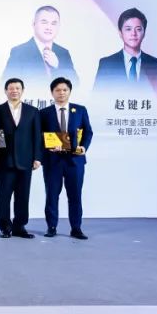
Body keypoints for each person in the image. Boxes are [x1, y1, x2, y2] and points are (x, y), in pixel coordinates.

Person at [40, 77, 93, 240]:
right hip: (52, 160)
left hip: (75, 160)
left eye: (64, 90)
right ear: (52, 92)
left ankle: (76, 228)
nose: (61, 93)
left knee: (75, 195)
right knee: (51, 195)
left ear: (70, 91)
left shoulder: (80, 110)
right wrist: (47, 146)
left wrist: (83, 147)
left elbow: (88, 132)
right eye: (57, 90)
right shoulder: (44, 113)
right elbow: (39, 135)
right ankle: (51, 227)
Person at [0, 77, 42, 238]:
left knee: (23, 196)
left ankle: (19, 227)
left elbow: (37, 136)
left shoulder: (32, 111)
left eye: (17, 88)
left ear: (22, 91)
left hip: (26, 161)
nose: (14, 91)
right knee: (4, 197)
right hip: (3, 161)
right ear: (5, 91)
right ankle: (5, 227)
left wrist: (37, 157)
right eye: (11, 88)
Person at [1, 5, 79, 94]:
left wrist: (58, 66)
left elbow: (76, 84)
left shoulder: (63, 53)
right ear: (34, 23)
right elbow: (5, 85)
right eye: (44, 22)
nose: (49, 27)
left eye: (53, 23)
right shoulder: (19, 52)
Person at [93, 7, 157, 95]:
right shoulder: (106, 64)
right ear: (120, 33)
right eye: (128, 29)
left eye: (138, 29)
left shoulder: (155, 65)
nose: (133, 34)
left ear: (144, 33)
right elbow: (97, 99)